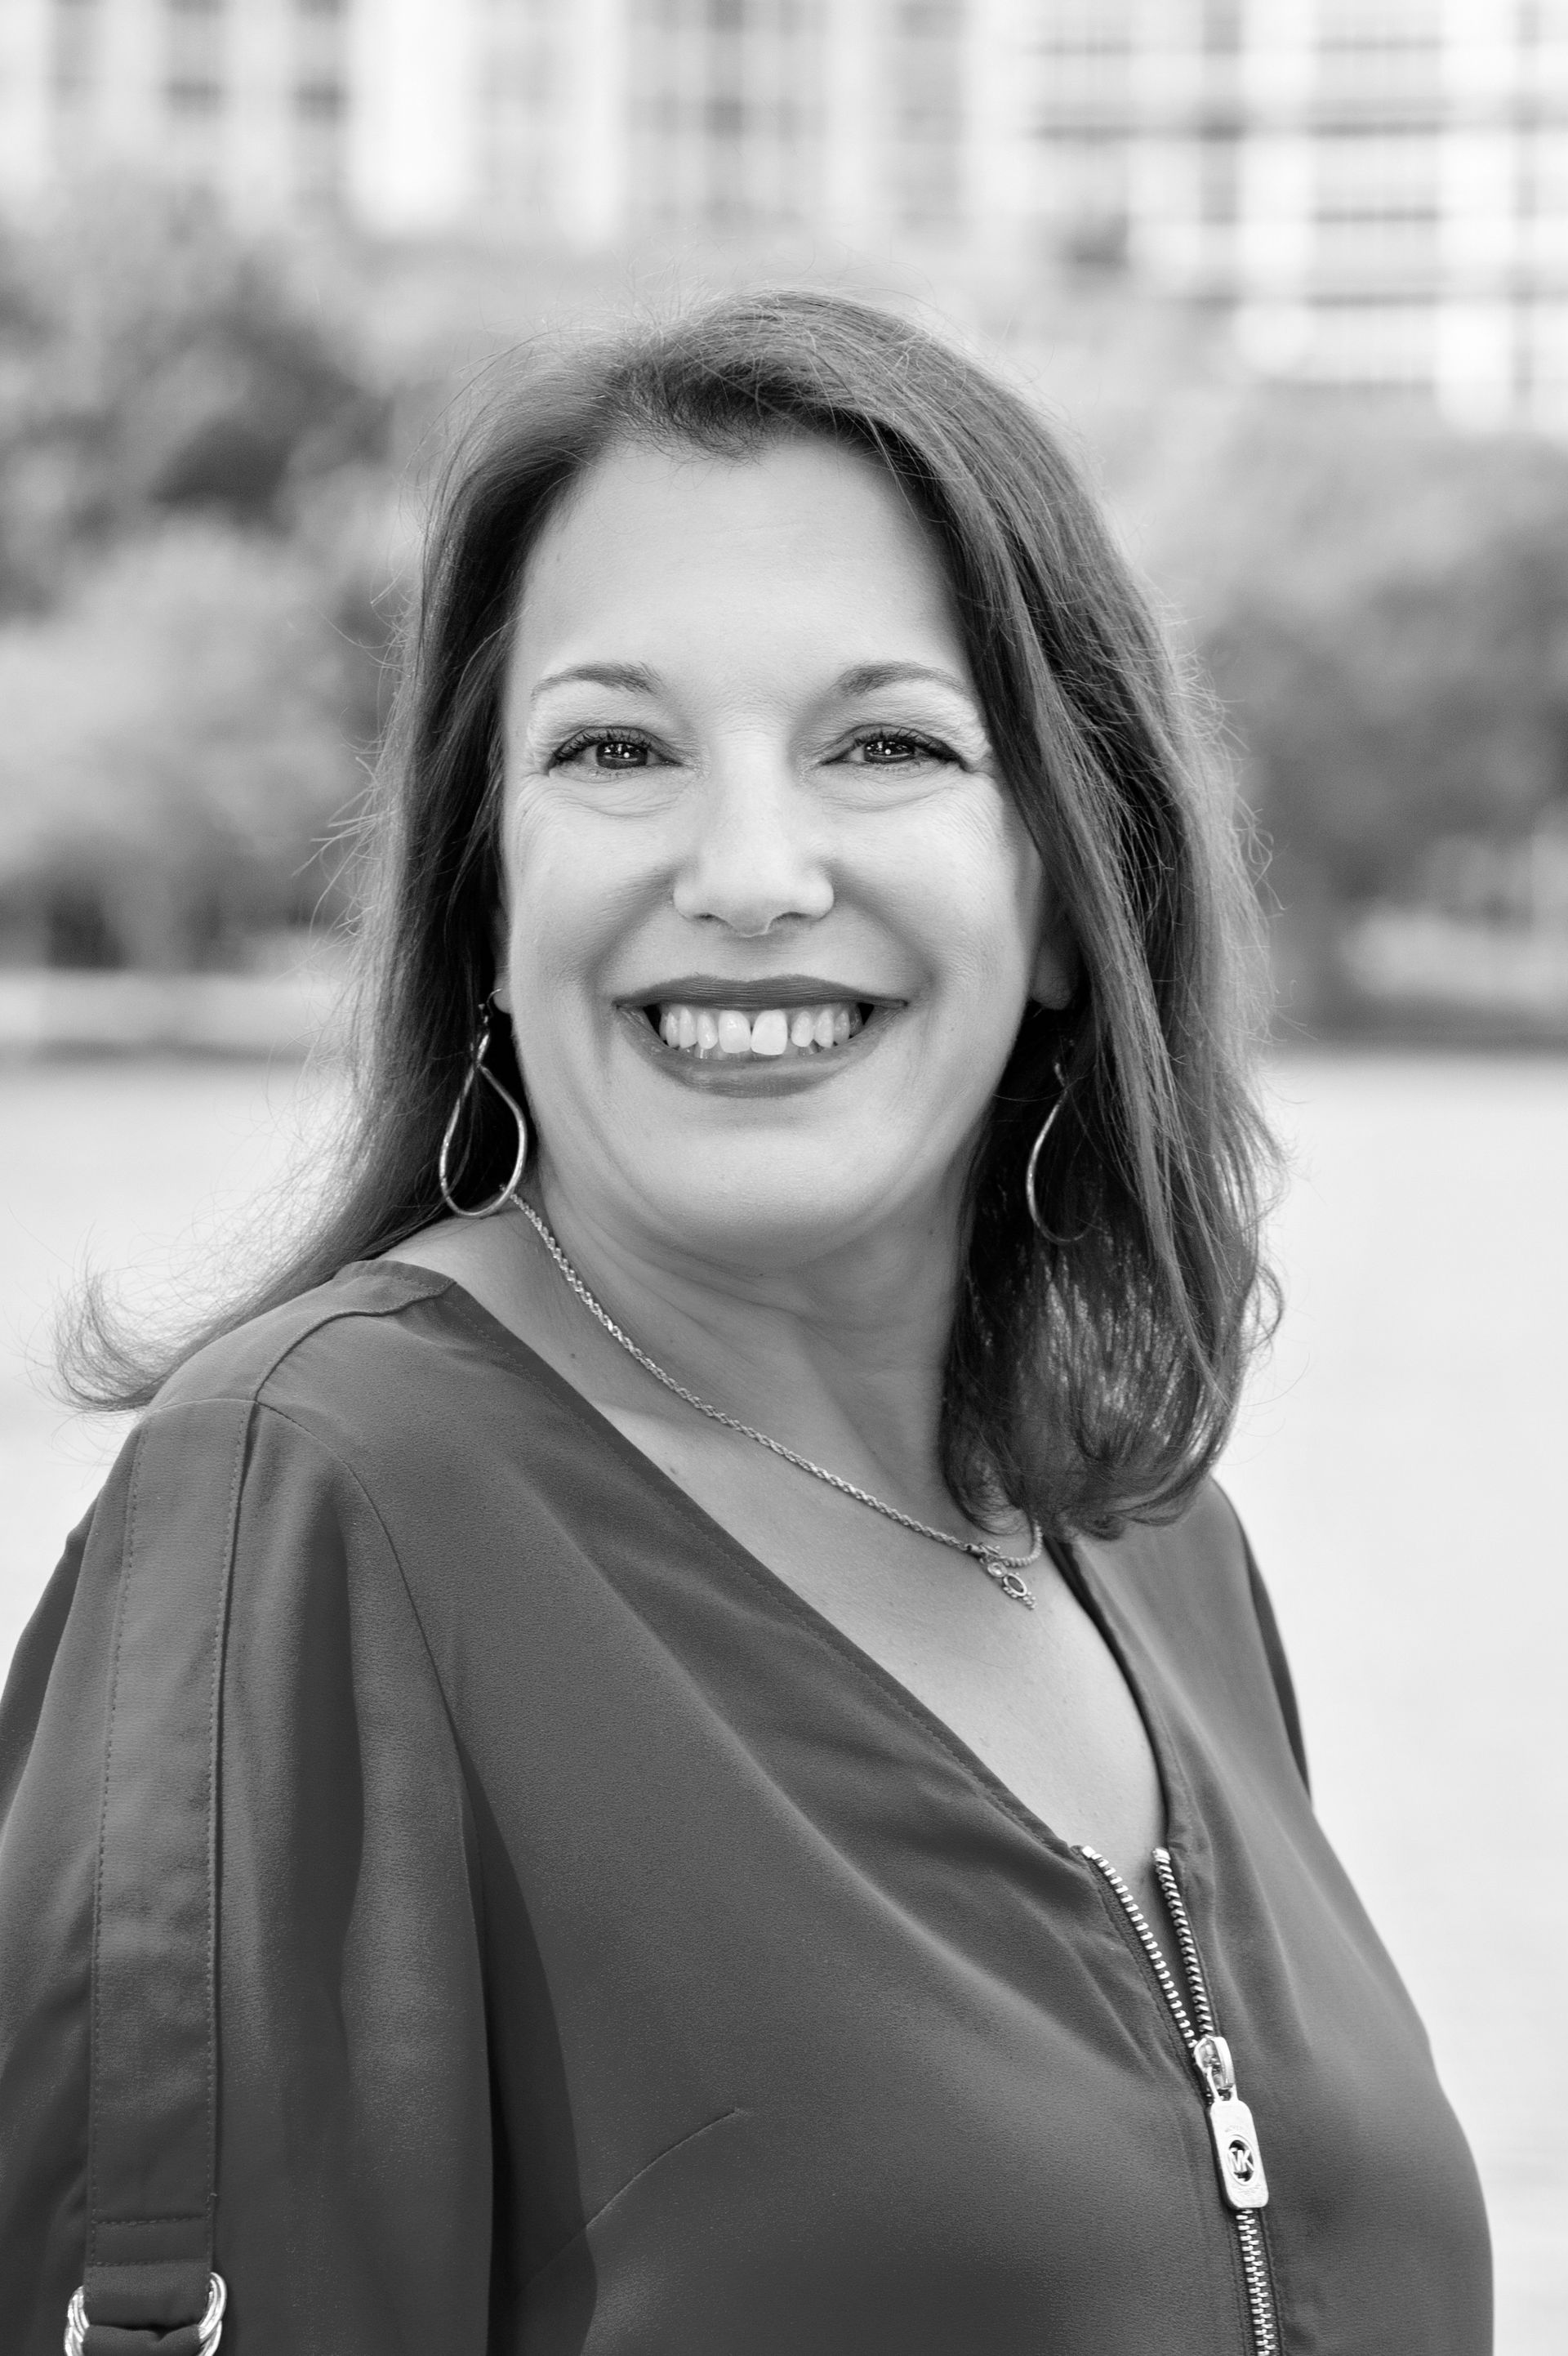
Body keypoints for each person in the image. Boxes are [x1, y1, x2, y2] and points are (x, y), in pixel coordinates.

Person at [0, 292, 1489, 2355]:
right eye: (616, 749)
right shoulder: (315, 1502)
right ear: (486, 894)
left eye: (885, 744)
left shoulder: (1161, 1538)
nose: (754, 870)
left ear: (1063, 887)